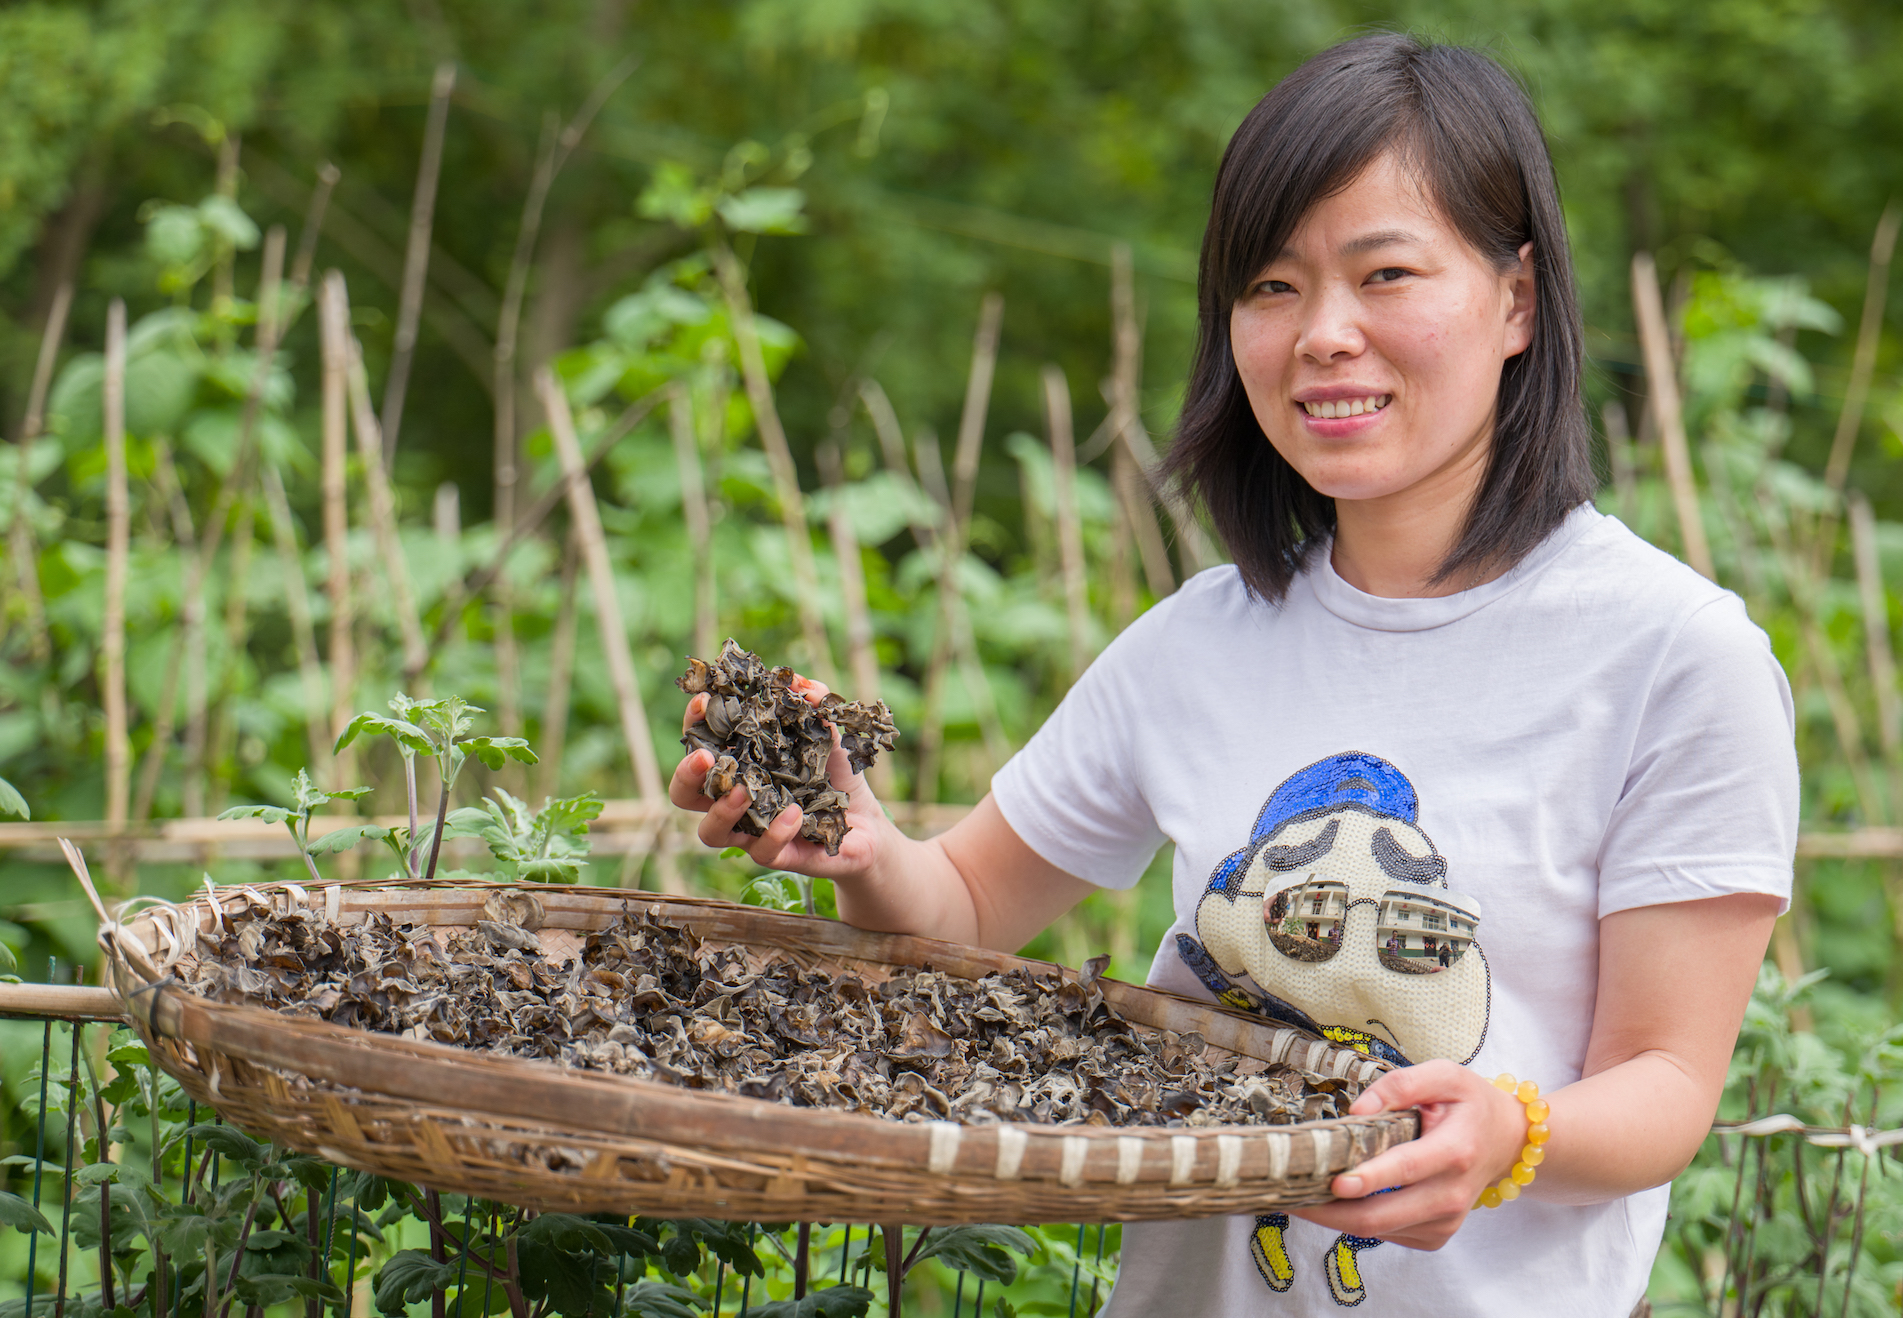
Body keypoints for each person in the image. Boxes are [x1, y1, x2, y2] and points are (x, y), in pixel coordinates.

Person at [671, 33, 1797, 1318]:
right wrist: (860, 845)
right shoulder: (1202, 639)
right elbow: (970, 904)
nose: (1322, 335)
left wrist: (1506, 1130)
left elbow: (1663, 1080)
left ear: (1517, 300)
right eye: (1269, 287)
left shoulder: (1672, 656)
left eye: (1384, 274)